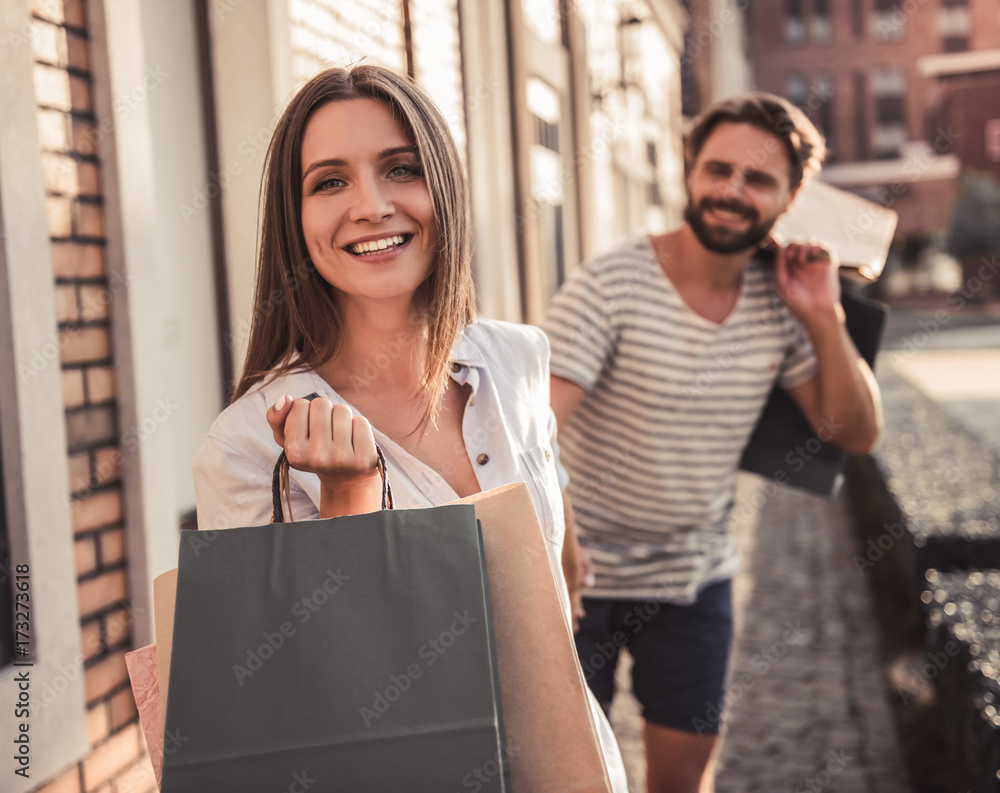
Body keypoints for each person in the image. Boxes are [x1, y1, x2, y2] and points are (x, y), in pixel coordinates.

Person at [191, 64, 628, 789]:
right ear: (294, 220)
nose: (371, 205)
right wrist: (349, 500)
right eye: (329, 181)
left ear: (444, 187)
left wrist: (565, 572)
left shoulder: (517, 357)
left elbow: (548, 497)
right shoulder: (247, 446)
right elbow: (297, 693)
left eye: (401, 168)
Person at [543, 93, 882, 793]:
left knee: (683, 782)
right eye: (719, 169)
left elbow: (855, 431)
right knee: (569, 779)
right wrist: (561, 544)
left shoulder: (780, 300)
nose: (732, 190)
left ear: (790, 197)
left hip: (695, 582)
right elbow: (529, 430)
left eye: (758, 178)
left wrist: (823, 315)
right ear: (690, 170)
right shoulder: (611, 282)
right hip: (577, 582)